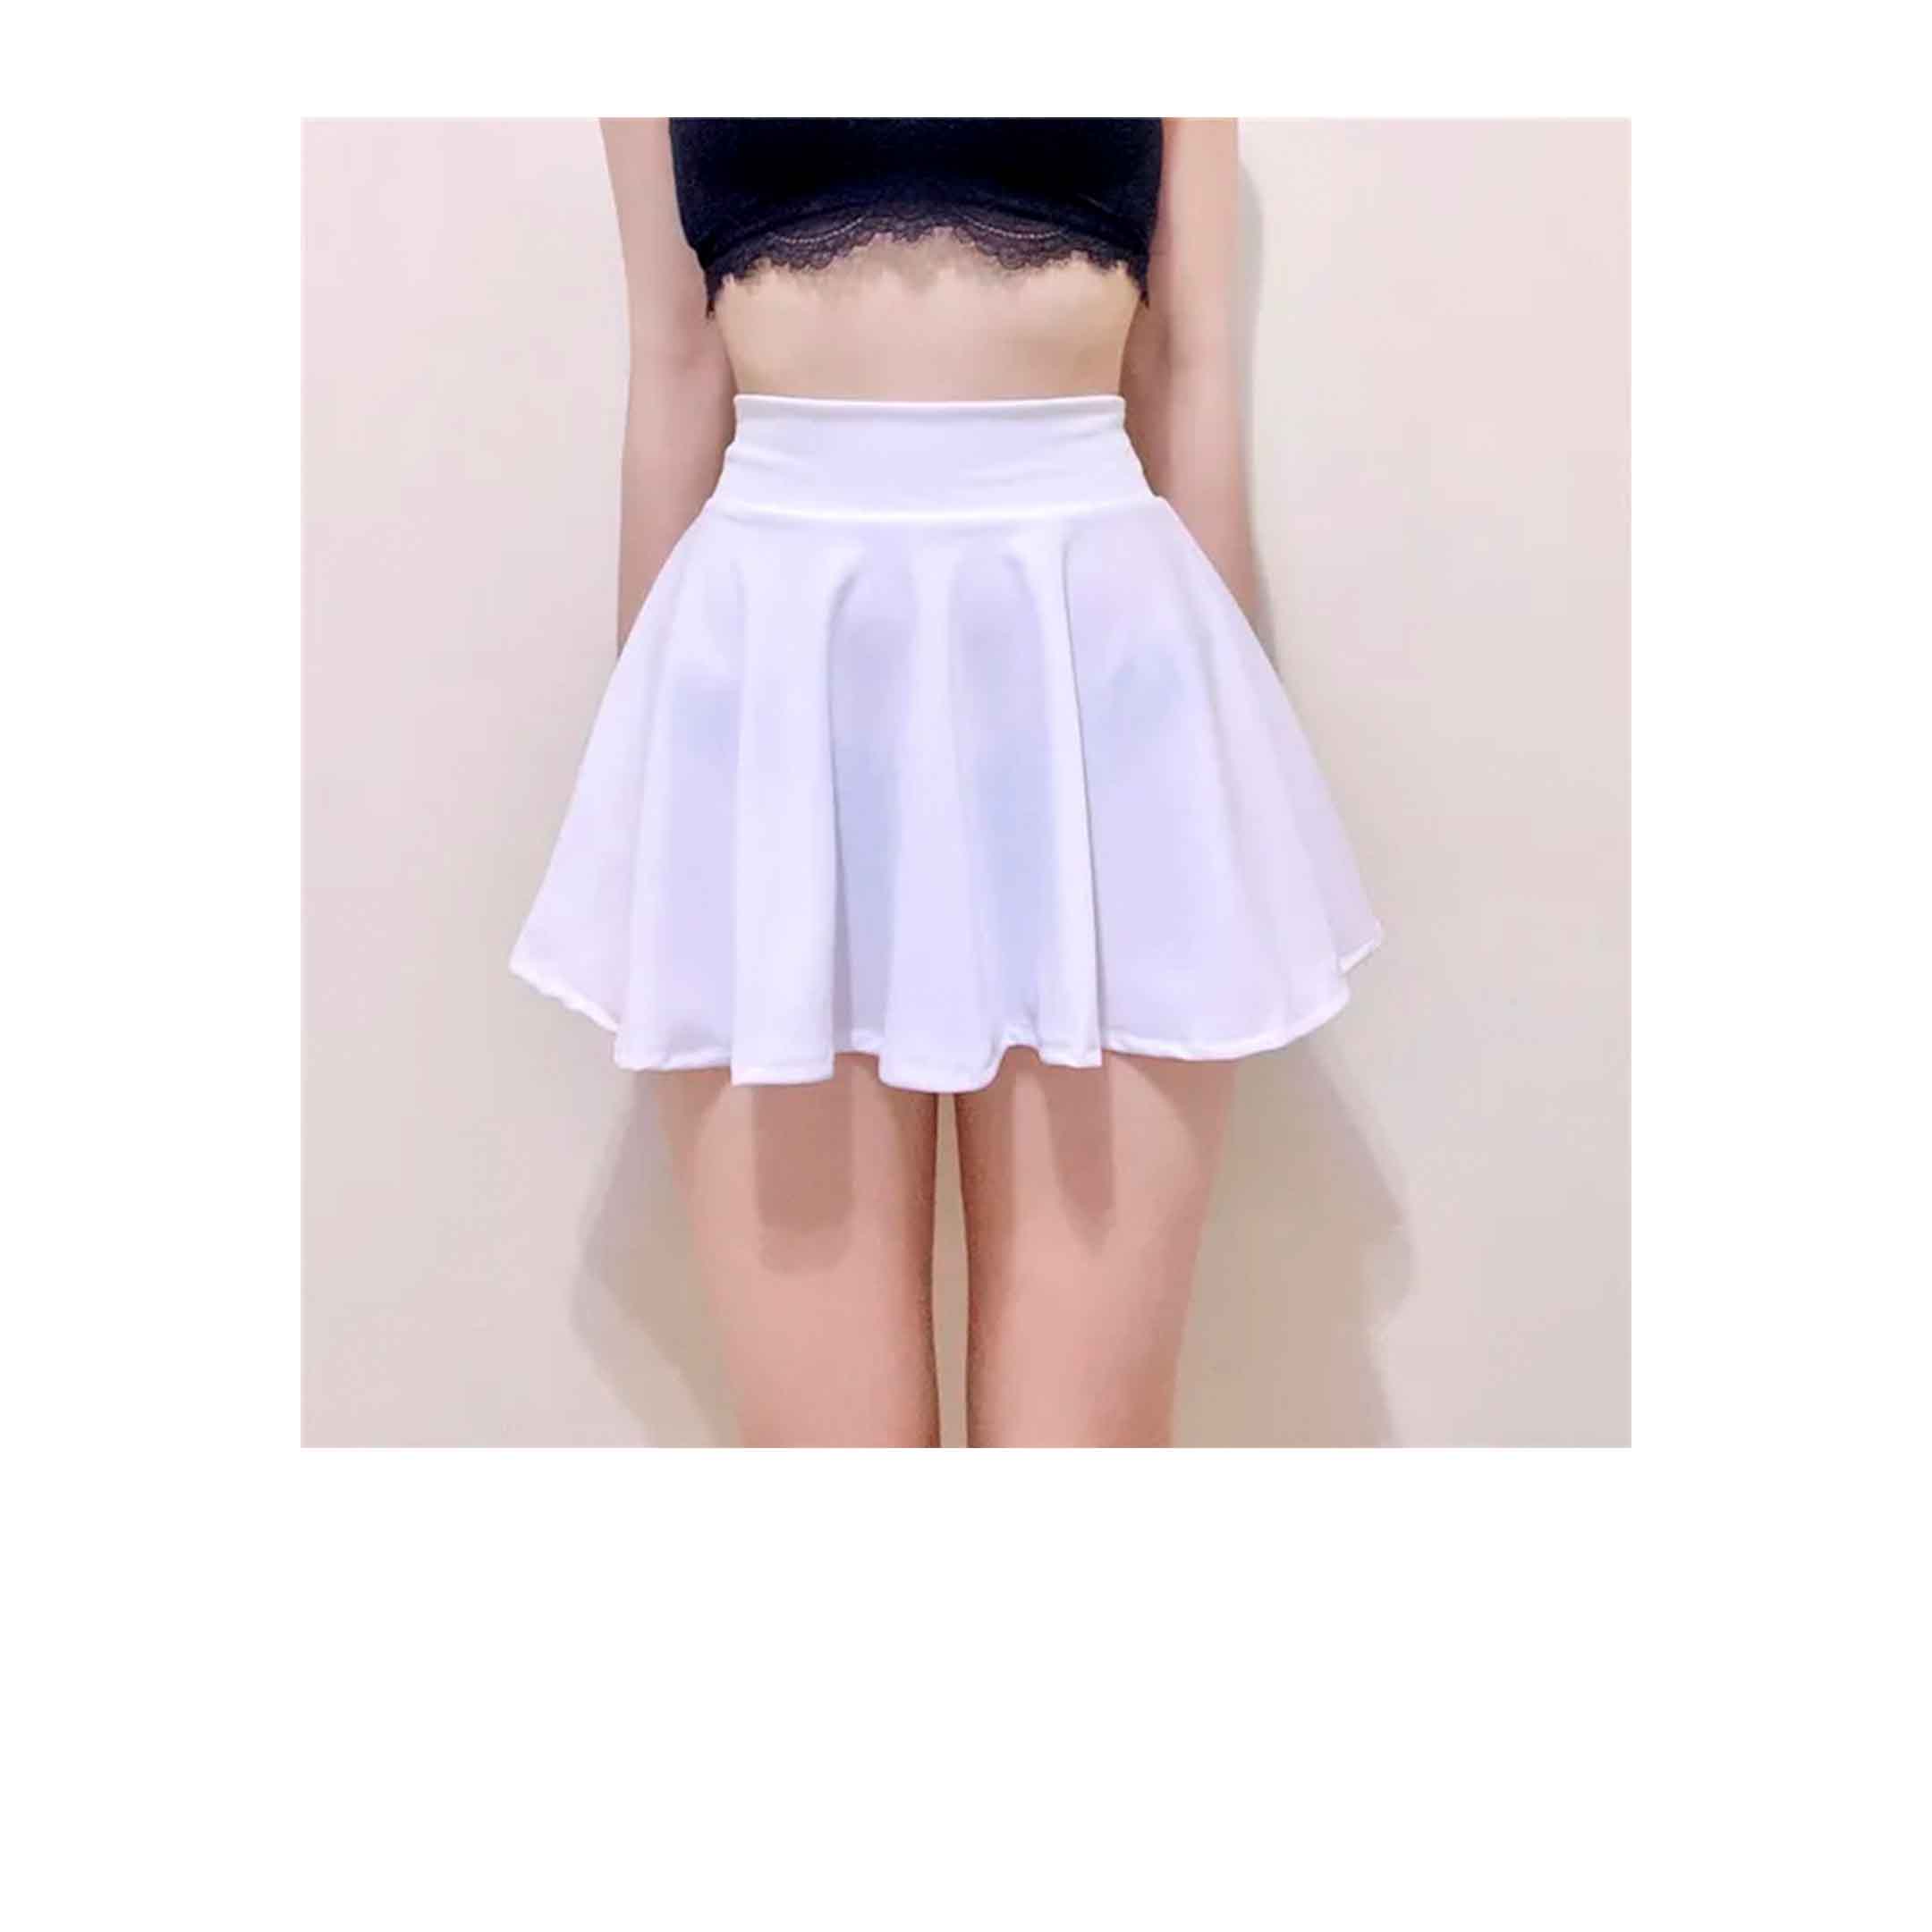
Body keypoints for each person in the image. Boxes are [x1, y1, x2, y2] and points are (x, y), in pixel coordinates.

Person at [512, 119, 1381, 1447]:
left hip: (1093, 663)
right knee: (826, 1445)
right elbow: (677, 367)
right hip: (778, 671)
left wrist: (1222, 778)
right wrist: (653, 809)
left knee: (1084, 1440)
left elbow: (1184, 366)